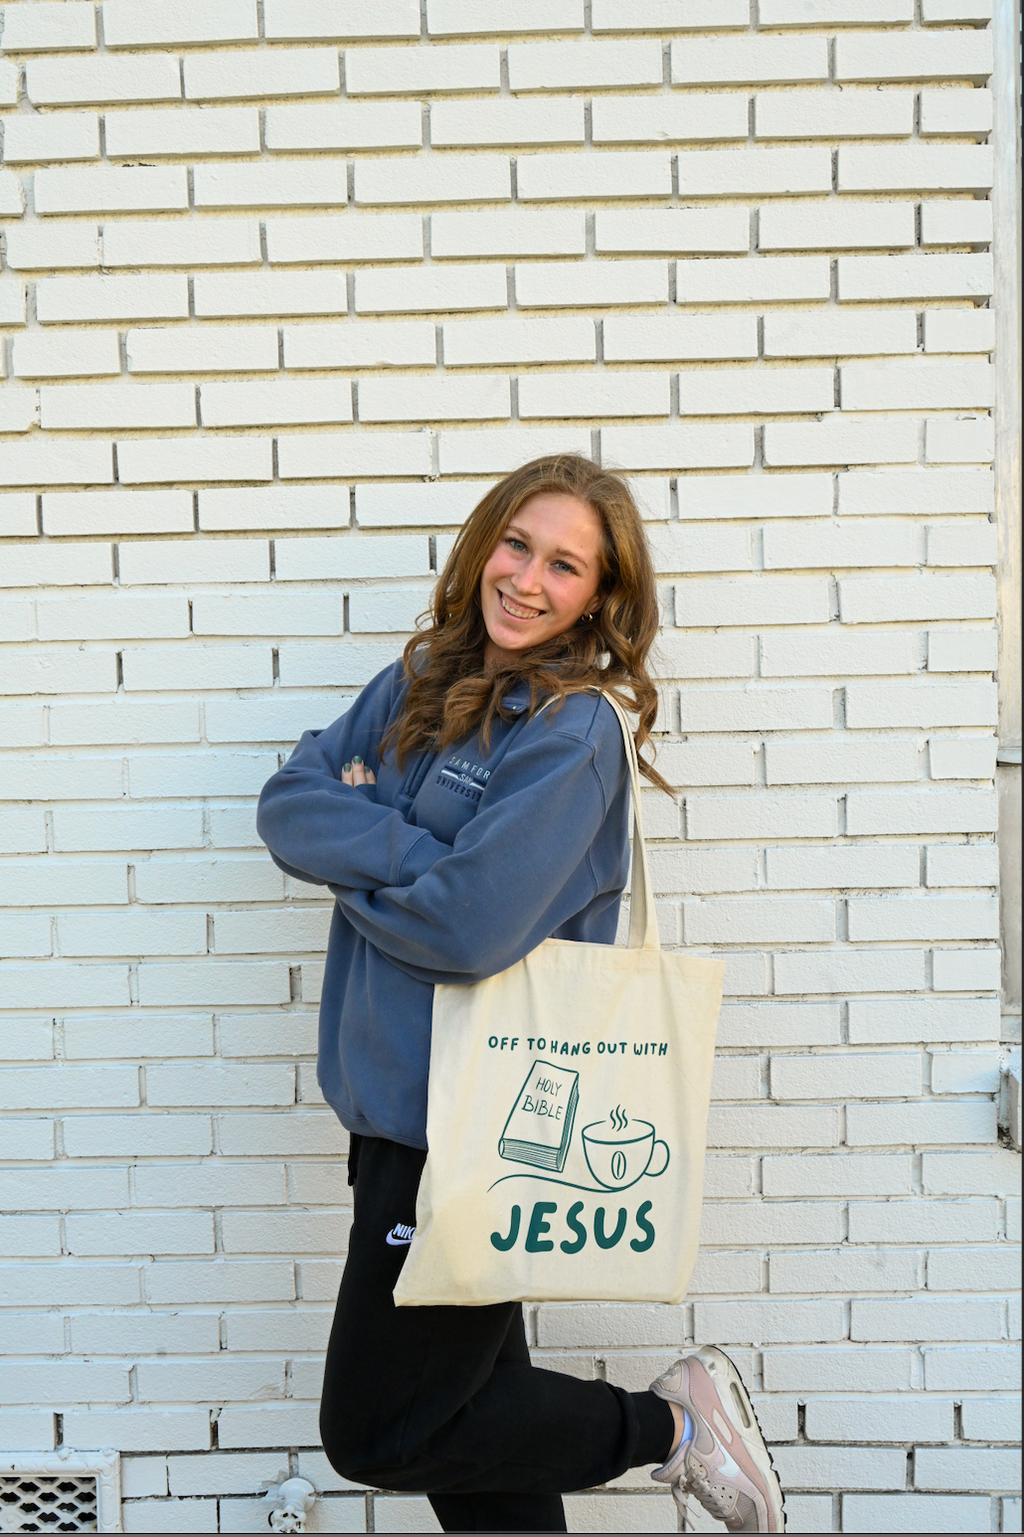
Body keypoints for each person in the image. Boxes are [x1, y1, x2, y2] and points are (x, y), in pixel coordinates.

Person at [257, 455, 785, 1534]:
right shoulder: (411, 683)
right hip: (392, 1122)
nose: (528, 579)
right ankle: (667, 1428)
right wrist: (415, 854)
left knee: (378, 1428)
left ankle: (671, 1427)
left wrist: (355, 856)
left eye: (564, 564)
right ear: (481, 545)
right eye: (516, 544)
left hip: (468, 1132)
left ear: (599, 596)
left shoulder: (571, 731)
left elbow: (467, 926)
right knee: (475, 1458)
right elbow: (285, 804)